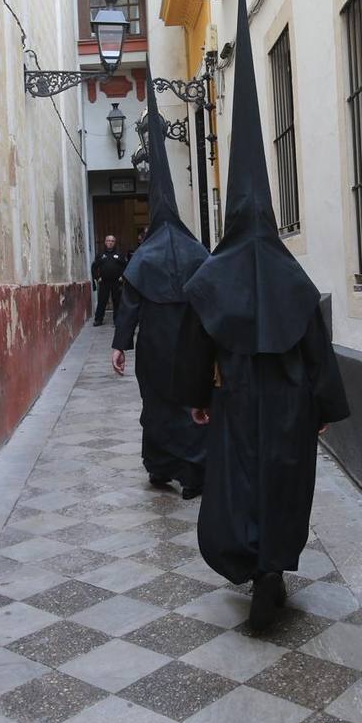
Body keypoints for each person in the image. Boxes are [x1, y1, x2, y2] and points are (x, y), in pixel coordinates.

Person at [173, 0, 350, 631]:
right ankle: (272, 568)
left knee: (240, 483)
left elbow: (197, 344)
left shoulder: (213, 276)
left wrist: (196, 396)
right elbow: (313, 341)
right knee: (284, 481)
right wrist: (323, 408)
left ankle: (253, 570)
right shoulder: (291, 274)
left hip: (236, 396)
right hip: (288, 400)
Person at [111, 76, 210, 498]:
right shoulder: (198, 251)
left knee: (158, 405)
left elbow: (130, 305)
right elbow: (212, 300)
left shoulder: (145, 257)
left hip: (154, 345)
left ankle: (160, 466)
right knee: (192, 405)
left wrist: (119, 344)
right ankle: (194, 472)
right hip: (192, 347)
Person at [90, 235, 126, 326]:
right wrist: (97, 278)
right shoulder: (101, 255)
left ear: (114, 243)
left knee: (117, 302)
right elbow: (94, 267)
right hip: (104, 282)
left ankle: (117, 320)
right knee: (102, 301)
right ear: (105, 242)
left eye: (112, 241)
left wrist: (123, 276)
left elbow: (126, 266)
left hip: (117, 282)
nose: (110, 242)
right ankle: (98, 319)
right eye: (108, 241)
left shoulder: (120, 254)